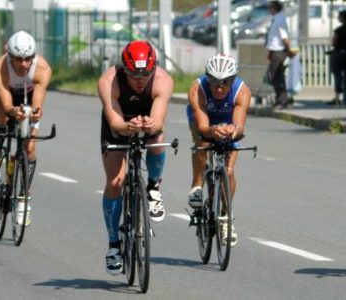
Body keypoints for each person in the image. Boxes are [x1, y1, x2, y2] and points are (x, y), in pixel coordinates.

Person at [97, 40, 173, 275]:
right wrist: (127, 126)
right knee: (115, 182)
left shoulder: (163, 81)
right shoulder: (109, 81)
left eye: (146, 74)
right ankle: (113, 245)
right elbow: (115, 122)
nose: (140, 80)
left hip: (147, 118)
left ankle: (152, 187)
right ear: (123, 69)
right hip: (119, 123)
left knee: (157, 137)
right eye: (133, 74)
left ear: (154, 69)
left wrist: (151, 124)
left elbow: (159, 120)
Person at [0, 31, 52, 226]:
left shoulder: (42, 69)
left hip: (28, 94)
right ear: (10, 56)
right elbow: (7, 105)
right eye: (18, 59)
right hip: (3, 92)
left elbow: (37, 103)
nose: (23, 64)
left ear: (34, 56)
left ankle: (23, 198)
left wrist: (35, 113)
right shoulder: (0, 67)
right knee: (3, 115)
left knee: (29, 148)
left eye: (27, 59)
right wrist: (13, 111)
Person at [186, 53, 251, 247]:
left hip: (228, 119)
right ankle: (197, 184)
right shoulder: (197, 89)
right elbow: (204, 126)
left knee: (229, 170)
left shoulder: (242, 91)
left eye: (225, 82)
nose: (219, 87)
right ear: (207, 78)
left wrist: (233, 131)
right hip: (204, 120)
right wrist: (211, 131)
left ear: (233, 80)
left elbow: (240, 126)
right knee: (203, 143)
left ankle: (225, 216)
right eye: (213, 81)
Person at [265, 0, 295, 109]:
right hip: (275, 51)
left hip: (279, 52)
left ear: (274, 8)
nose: (269, 10)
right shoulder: (276, 19)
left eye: (270, 7)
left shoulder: (280, 20)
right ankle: (282, 99)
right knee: (277, 76)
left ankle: (282, 99)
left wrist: (289, 50)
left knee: (273, 76)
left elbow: (285, 38)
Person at [327, 10, 346, 106]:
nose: (338, 18)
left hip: (338, 55)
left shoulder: (338, 30)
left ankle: (337, 97)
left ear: (342, 18)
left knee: (337, 76)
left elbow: (334, 42)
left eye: (339, 16)